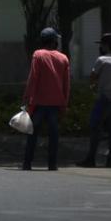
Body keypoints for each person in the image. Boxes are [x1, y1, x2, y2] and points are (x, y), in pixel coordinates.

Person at [22, 27, 71, 171]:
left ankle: (27, 163)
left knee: (32, 134)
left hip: (38, 103)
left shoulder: (38, 55)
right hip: (56, 104)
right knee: (54, 135)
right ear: (54, 41)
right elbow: (66, 85)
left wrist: (26, 97)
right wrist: (64, 104)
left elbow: (33, 78)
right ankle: (52, 164)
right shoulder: (63, 58)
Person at [77, 33, 111, 168]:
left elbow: (93, 77)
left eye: (101, 44)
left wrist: (93, 86)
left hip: (103, 98)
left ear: (106, 45)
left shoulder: (102, 60)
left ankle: (91, 159)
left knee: (95, 128)